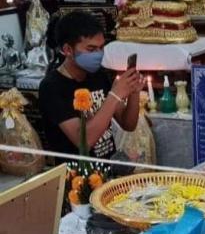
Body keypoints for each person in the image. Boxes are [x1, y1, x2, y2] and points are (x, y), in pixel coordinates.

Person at [39, 11, 141, 161]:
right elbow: (84, 142)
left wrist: (134, 92)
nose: (99, 54)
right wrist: (114, 95)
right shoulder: (52, 87)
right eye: (91, 49)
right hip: (77, 173)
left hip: (107, 168)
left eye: (101, 47)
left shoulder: (98, 75)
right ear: (68, 50)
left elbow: (128, 124)